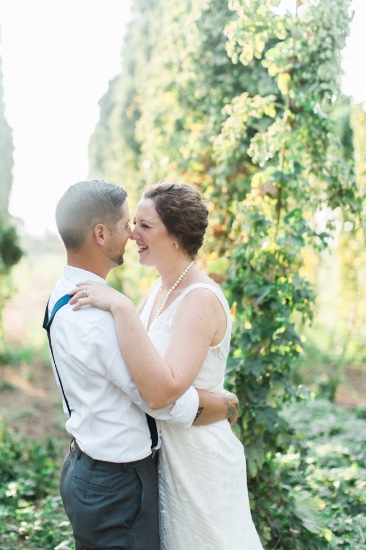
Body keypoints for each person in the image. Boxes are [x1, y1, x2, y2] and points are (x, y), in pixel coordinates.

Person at [44, 179, 239, 550]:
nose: (132, 234)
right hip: (124, 478)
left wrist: (120, 306)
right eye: (128, 223)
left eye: (143, 225)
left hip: (182, 462)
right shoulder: (106, 309)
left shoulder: (70, 294)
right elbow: (159, 395)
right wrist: (222, 406)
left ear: (176, 236)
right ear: (100, 234)